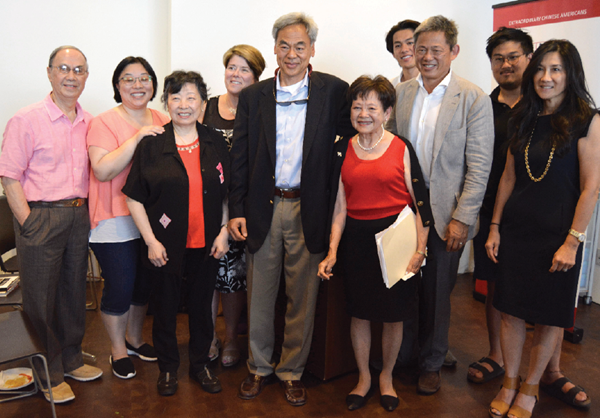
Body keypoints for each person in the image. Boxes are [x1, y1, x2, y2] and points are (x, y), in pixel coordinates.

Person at [228, 12, 355, 406]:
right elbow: (239, 157)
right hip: (264, 207)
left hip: (309, 207)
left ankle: (291, 371)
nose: (292, 53)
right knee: (260, 294)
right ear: (274, 48)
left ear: (312, 49)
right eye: (284, 45)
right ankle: (258, 367)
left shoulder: (334, 91)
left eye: (300, 46)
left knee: (303, 296)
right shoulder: (255, 96)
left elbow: (346, 151)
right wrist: (237, 209)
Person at [486, 39, 598, 418]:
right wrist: (495, 226)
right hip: (517, 230)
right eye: (541, 69)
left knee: (550, 316)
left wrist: (572, 242)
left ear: (570, 75)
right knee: (511, 311)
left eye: (556, 70)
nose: (545, 77)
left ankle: (531, 386)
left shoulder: (588, 120)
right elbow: (508, 177)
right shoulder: (524, 117)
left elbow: (591, 188)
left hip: (558, 236)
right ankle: (509, 382)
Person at [386, 15, 494, 395]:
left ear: (453, 51)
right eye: (421, 49)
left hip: (448, 213)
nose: (427, 57)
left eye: (436, 49)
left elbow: (479, 167)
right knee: (404, 284)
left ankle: (431, 363)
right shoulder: (401, 94)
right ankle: (405, 356)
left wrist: (462, 219)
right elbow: (391, 150)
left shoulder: (473, 98)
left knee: (437, 293)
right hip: (406, 211)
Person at [318, 75, 431, 412]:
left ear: (387, 112)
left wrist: (420, 250)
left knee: (394, 316)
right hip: (357, 241)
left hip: (397, 239)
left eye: (371, 107)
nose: (363, 114)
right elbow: (339, 208)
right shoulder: (342, 148)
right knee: (360, 314)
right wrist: (332, 251)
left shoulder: (401, 147)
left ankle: (387, 378)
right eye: (357, 107)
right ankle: (364, 377)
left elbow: (420, 204)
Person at [0, 45, 103, 403]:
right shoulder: (26, 119)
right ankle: (47, 371)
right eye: (64, 68)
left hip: (78, 214)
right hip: (40, 215)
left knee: (73, 292)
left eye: (79, 70)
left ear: (86, 77)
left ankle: (72, 359)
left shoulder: (90, 122)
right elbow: (9, 176)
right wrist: (28, 222)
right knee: (40, 300)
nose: (71, 76)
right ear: (49, 73)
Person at [123, 70, 230, 397]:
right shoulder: (153, 144)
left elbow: (227, 193)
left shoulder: (215, 142)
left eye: (191, 98)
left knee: (202, 308)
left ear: (203, 104)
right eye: (176, 97)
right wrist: (151, 241)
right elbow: (133, 197)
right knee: (165, 308)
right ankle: (168, 368)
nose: (184, 104)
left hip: (207, 242)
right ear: (166, 103)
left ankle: (200, 365)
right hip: (165, 244)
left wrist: (224, 231)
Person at [87, 56, 169, 379]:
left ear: (153, 84)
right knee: (120, 286)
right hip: (113, 218)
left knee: (143, 285)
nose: (138, 85)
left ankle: (135, 339)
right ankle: (118, 349)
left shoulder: (163, 118)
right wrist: (136, 139)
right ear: (117, 85)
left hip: (150, 220)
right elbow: (102, 170)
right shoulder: (103, 122)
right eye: (129, 79)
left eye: (144, 78)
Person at [467, 28, 533, 385]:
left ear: (529, 58)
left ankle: (542, 368)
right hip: (489, 209)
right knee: (494, 284)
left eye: (513, 57)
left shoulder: (542, 104)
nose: (506, 65)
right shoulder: (482, 105)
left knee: (533, 287)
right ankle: (497, 355)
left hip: (533, 212)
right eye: (498, 59)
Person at [202, 44, 266, 367]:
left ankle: (230, 338)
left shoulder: (260, 109)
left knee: (233, 277)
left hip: (241, 208)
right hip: (206, 206)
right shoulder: (207, 107)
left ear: (256, 77)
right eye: (232, 67)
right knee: (207, 274)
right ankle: (208, 336)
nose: (236, 74)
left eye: (244, 69)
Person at [385, 19, 421, 87]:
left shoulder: (437, 84)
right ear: (393, 54)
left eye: (410, 43)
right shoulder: (389, 87)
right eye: (398, 46)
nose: (404, 50)